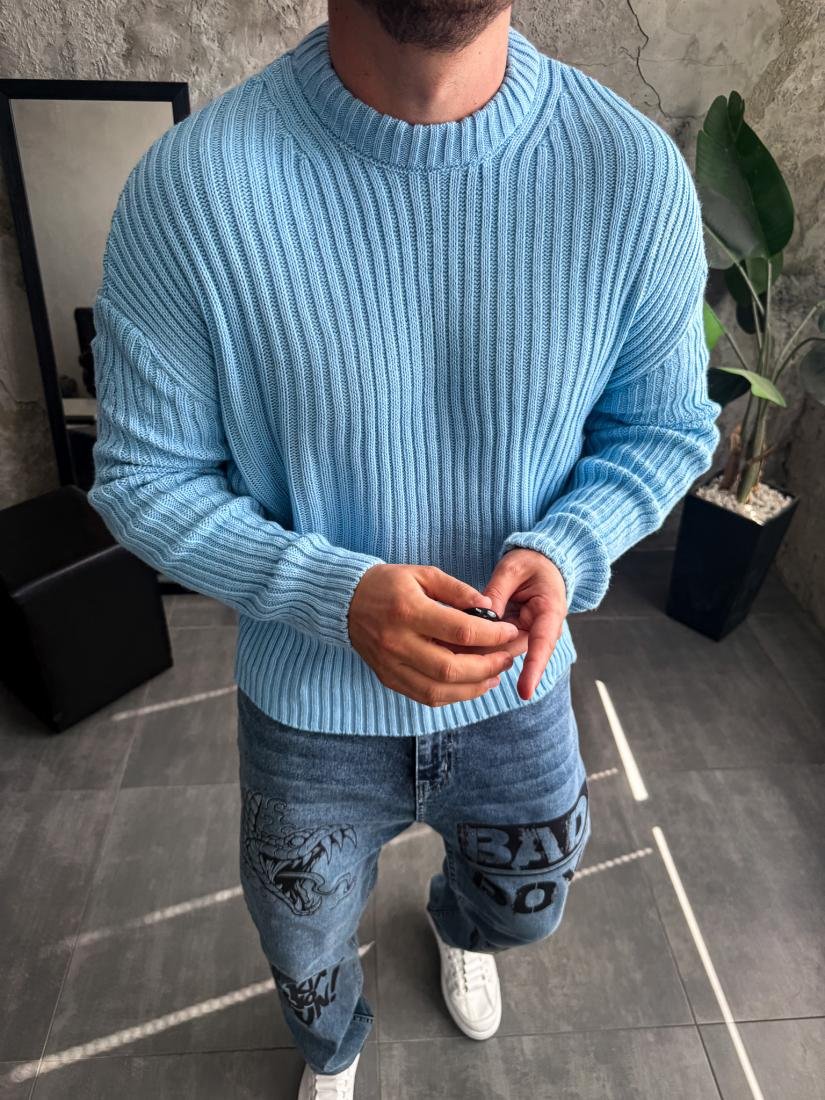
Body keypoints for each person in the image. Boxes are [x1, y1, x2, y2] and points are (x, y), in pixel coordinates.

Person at [87, 0, 721, 1095]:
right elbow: (144, 478)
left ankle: (457, 926)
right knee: (302, 948)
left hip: (521, 684)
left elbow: (663, 428)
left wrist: (567, 546)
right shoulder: (191, 190)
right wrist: (334, 595)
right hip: (307, 714)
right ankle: (334, 1050)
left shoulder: (631, 174)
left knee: (526, 907)